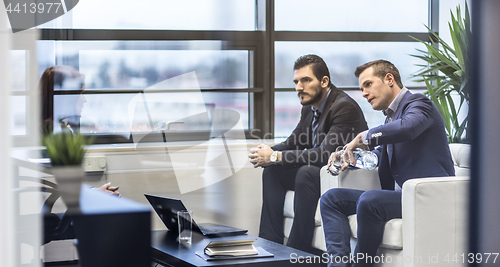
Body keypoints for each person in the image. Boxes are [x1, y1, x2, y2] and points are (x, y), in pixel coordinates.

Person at [320, 60, 455, 267]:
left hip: (426, 197)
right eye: (361, 88)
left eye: (368, 84)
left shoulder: (419, 104)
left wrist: (364, 137)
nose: (364, 93)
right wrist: (350, 158)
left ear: (389, 79)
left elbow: (409, 128)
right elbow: (380, 154)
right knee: (331, 199)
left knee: (370, 199)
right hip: (400, 197)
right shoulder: (390, 119)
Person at [248, 54, 368, 254]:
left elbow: (324, 155)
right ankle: (269, 247)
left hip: (345, 176)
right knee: (273, 172)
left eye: (306, 80)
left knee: (306, 172)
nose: (298, 87)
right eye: (296, 81)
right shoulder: (309, 107)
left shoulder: (343, 107)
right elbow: (292, 142)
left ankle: (297, 251)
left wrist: (274, 157)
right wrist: (267, 153)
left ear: (324, 81)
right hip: (321, 173)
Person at [39, 66, 120, 244]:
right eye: (79, 93)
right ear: (65, 96)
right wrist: (98, 195)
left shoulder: (46, 128)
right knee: (118, 219)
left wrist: (95, 193)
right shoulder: (60, 133)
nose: (84, 100)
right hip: (53, 217)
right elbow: (66, 190)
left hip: (43, 213)